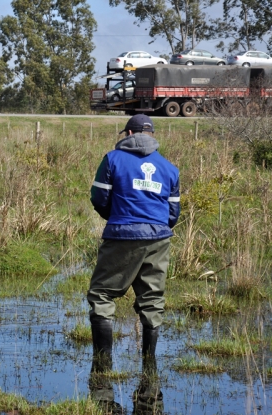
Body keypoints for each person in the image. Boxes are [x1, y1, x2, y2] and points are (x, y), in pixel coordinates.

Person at [88, 114, 180, 372]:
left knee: (103, 294)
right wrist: (156, 227)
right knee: (152, 300)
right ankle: (150, 368)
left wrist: (116, 219)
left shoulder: (112, 159)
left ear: (128, 134)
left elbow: (98, 198)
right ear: (151, 135)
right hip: (159, 238)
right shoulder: (169, 168)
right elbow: (174, 214)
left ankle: (102, 365)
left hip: (121, 234)